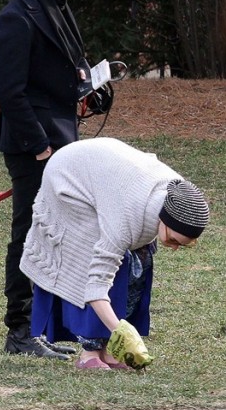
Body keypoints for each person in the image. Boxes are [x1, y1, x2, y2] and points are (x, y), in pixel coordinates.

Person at [20, 137, 210, 369]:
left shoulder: (177, 196)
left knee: (139, 264)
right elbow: (95, 286)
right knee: (91, 259)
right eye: (173, 239)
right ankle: (89, 354)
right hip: (69, 177)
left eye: (184, 244)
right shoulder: (125, 219)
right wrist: (121, 331)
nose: (174, 247)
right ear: (165, 221)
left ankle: (110, 351)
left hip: (106, 178)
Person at [0, 0, 86, 358]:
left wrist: (89, 90)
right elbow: (10, 93)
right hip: (35, 146)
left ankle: (45, 328)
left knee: (54, 233)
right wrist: (39, 146)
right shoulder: (16, 16)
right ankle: (20, 332)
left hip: (61, 140)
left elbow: (62, 72)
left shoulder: (55, 6)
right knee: (29, 234)